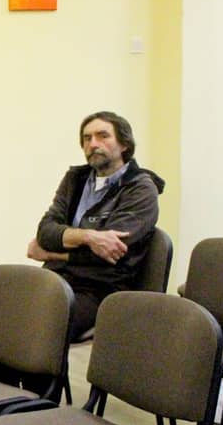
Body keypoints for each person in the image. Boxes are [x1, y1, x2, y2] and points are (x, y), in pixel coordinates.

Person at [27, 111, 165, 342]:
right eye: (87, 138)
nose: (93, 144)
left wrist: (52, 253)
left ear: (124, 144)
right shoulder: (75, 180)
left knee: (35, 324)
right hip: (57, 279)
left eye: (103, 136)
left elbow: (109, 255)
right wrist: (89, 237)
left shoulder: (141, 189)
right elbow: (46, 231)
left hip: (101, 290)